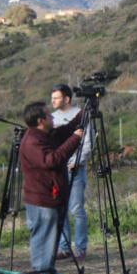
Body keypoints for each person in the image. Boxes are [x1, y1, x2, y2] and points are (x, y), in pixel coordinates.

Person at [18, 101, 84, 274]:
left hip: (51, 196)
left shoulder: (44, 135)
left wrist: (84, 114)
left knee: (52, 234)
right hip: (41, 199)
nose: (53, 117)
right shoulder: (32, 141)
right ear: (40, 120)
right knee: (42, 235)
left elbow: (65, 131)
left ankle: (48, 269)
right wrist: (75, 139)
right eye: (49, 115)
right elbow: (52, 160)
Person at [51, 84, 91, 264]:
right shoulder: (50, 118)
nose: (53, 101)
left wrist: (77, 162)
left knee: (76, 209)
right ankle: (64, 248)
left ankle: (81, 248)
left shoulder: (81, 115)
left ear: (67, 99)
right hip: (57, 169)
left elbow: (88, 141)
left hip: (75, 168)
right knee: (61, 209)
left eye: (57, 97)